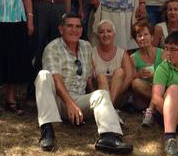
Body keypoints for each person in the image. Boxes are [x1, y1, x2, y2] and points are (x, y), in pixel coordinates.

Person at [35, 13, 133, 154]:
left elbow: (87, 77)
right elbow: (56, 79)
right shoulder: (52, 48)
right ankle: (47, 130)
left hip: (78, 102)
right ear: (61, 29)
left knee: (101, 94)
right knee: (43, 76)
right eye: (70, 26)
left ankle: (108, 137)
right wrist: (70, 104)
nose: (74, 30)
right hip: (57, 100)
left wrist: (87, 101)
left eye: (78, 26)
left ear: (82, 30)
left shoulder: (86, 47)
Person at [128, 20, 164, 126]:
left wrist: (154, 76)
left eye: (146, 34)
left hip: (161, 88)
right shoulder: (133, 58)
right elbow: (130, 80)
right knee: (136, 83)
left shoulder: (162, 53)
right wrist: (138, 74)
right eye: (139, 36)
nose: (143, 38)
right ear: (136, 40)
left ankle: (151, 111)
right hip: (145, 91)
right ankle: (159, 106)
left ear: (152, 37)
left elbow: (169, 75)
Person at [90, 19, 133, 106]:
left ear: (114, 34)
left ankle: (109, 106)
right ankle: (109, 107)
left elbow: (129, 76)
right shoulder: (91, 53)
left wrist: (118, 92)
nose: (105, 35)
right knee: (101, 77)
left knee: (119, 72)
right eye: (102, 32)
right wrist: (93, 94)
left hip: (118, 95)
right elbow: (88, 79)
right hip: (99, 95)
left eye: (109, 31)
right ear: (98, 35)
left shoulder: (122, 53)